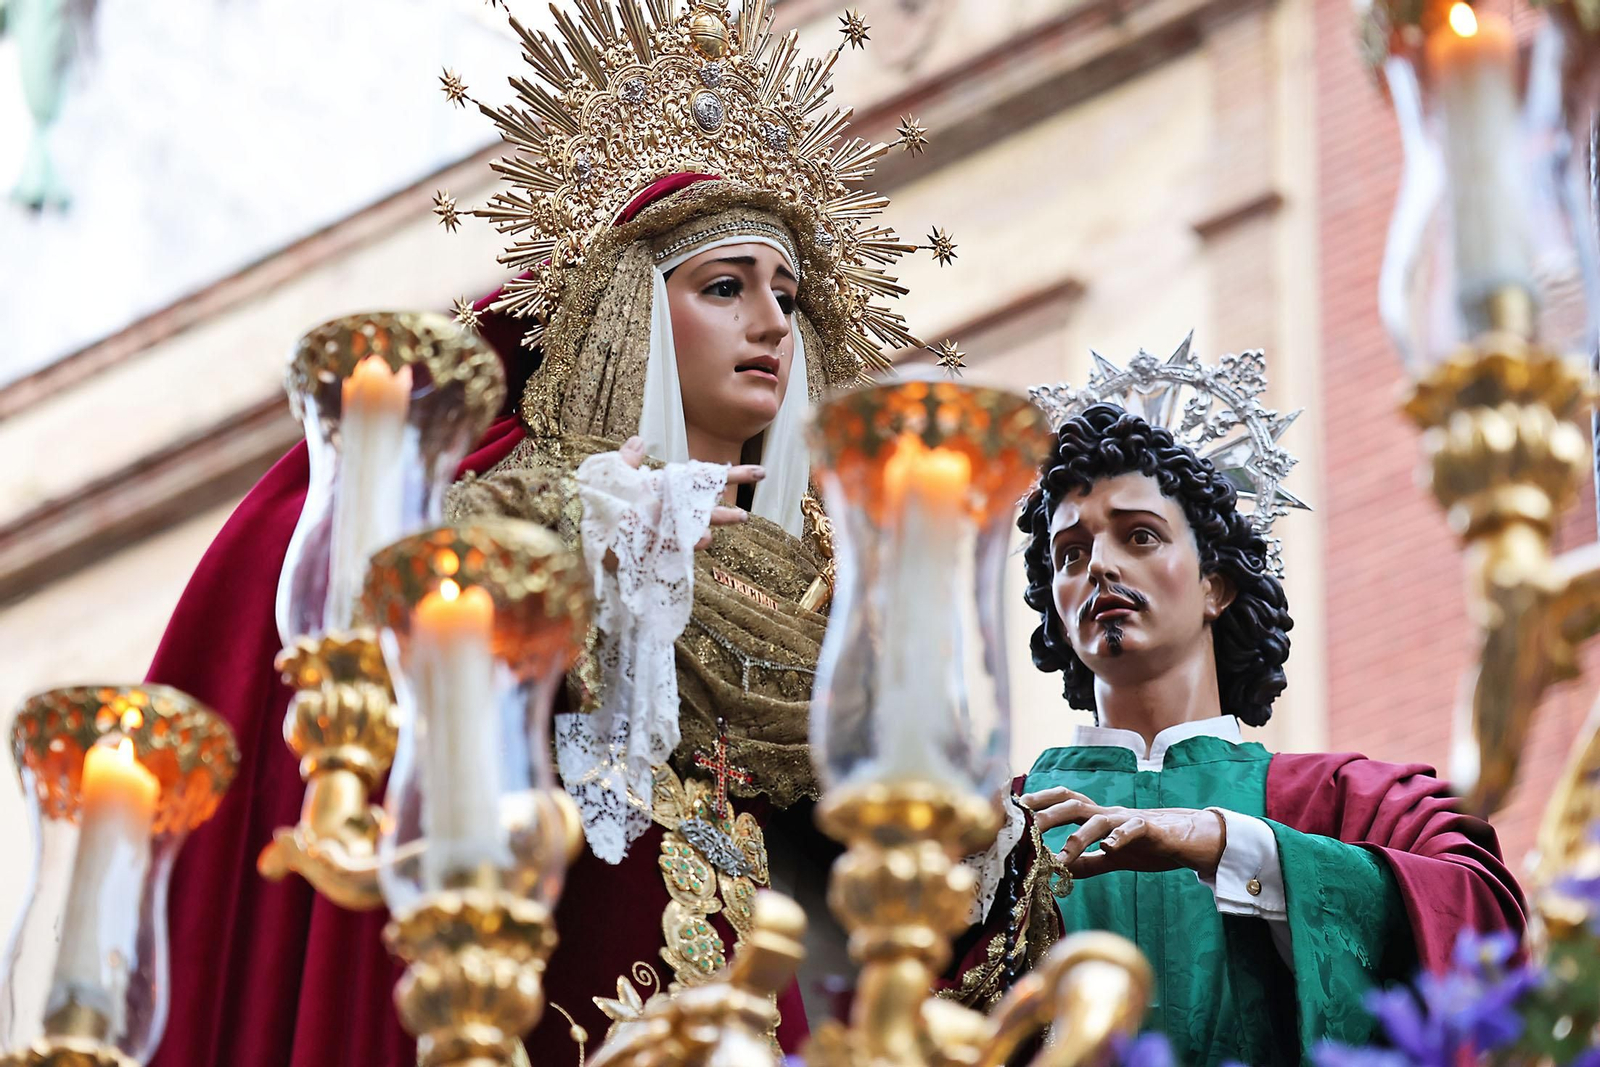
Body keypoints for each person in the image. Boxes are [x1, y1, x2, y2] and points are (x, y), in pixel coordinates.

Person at [142, 2, 944, 1063]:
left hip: (740, 1000)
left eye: (787, 296)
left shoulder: (809, 583)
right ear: (634, 316)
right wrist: (598, 536)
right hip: (538, 969)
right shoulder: (524, 495)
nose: (771, 324)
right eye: (724, 286)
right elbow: (378, 600)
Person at [948, 346, 1527, 1067]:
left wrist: (1232, 843)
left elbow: (1480, 927)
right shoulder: (988, 823)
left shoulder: (1351, 798)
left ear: (1216, 583)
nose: (1097, 564)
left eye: (1139, 535)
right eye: (1068, 552)